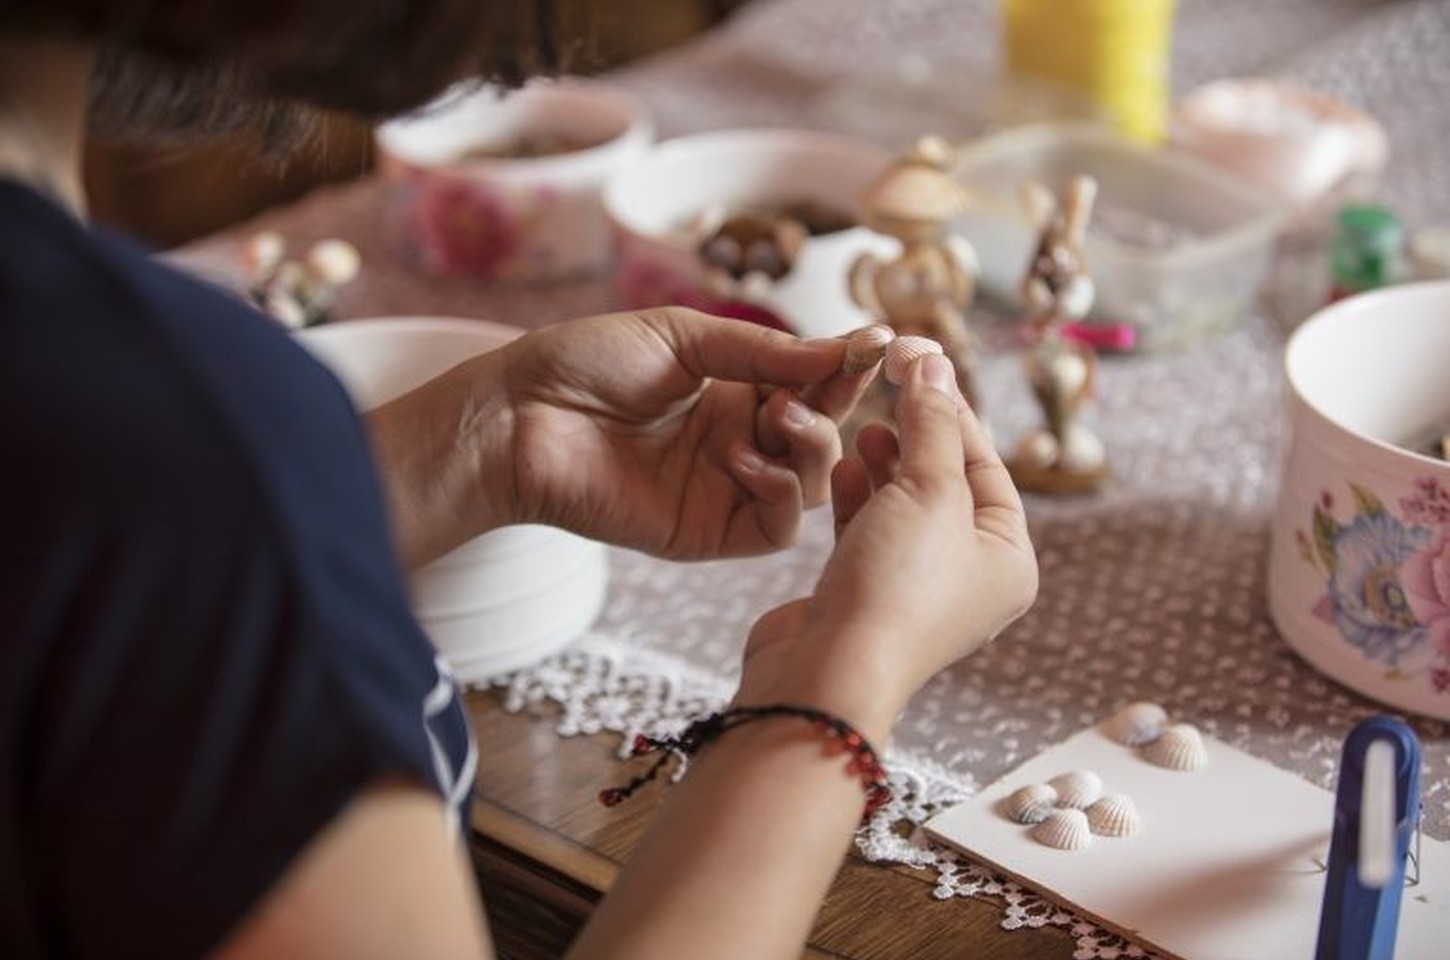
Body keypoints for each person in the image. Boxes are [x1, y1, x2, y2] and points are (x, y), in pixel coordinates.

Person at [0, 2, 1038, 958]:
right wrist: (839, 673)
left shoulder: (113, 408)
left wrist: (484, 444)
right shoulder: (161, 416)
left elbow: (87, 589)